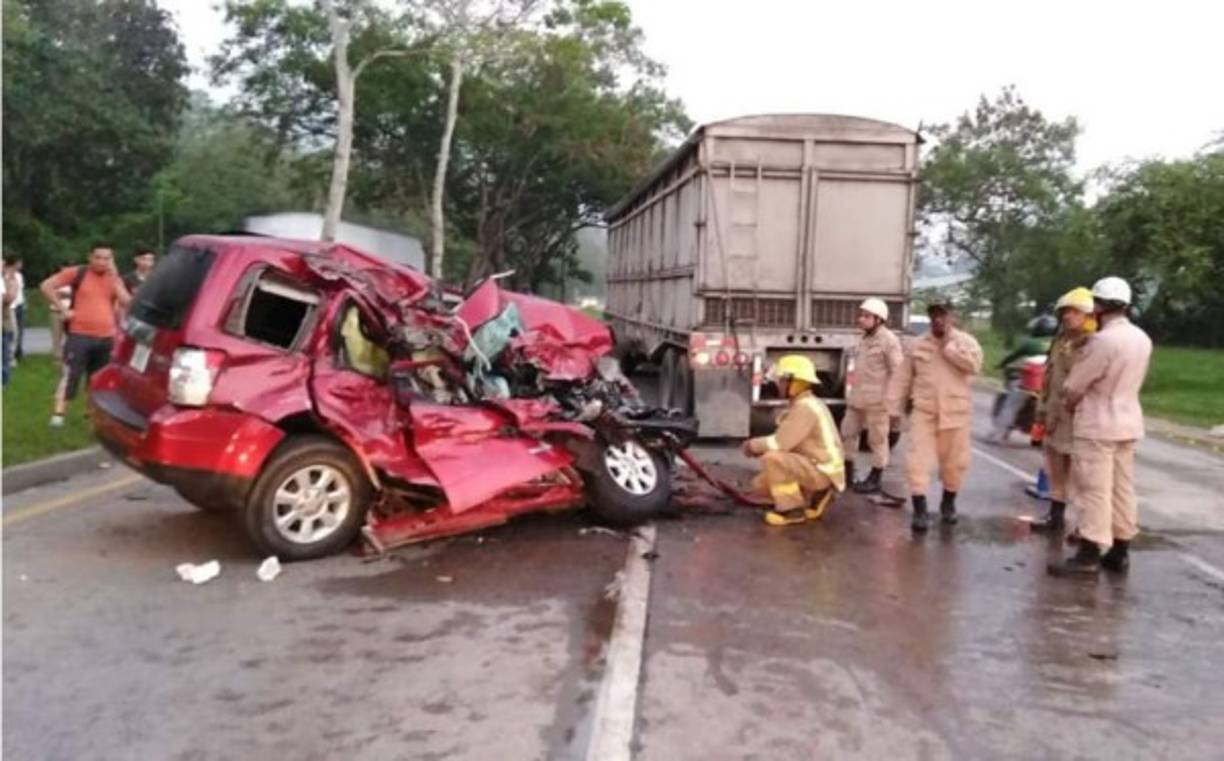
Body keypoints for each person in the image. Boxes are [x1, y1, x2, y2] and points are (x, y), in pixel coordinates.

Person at [1048, 277, 1152, 577]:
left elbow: (1074, 385)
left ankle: (1089, 552)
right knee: (1122, 489)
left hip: (1097, 423)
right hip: (1128, 421)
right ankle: (1120, 550)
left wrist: (1069, 404)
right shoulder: (1141, 338)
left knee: (1094, 489)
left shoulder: (1102, 341)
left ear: (1099, 305)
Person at [888, 300, 983, 532]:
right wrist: (892, 408)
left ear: (952, 317)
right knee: (916, 461)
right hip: (925, 411)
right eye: (934, 316)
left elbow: (975, 366)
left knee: (955, 463)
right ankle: (920, 509)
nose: (938, 320)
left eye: (943, 315)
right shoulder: (918, 344)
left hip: (956, 413)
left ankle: (948, 503)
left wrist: (950, 350)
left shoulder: (966, 342)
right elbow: (902, 378)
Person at [743, 355, 846, 526]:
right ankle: (816, 495)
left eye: (782, 380)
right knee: (760, 486)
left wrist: (752, 446)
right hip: (819, 466)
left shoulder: (805, 408)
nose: (779, 384)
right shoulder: (805, 403)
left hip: (822, 471)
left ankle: (792, 510)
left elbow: (779, 444)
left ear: (795, 382)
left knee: (773, 459)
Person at [39, 244, 132, 426]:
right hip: (80, 334)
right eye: (98, 257)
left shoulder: (114, 278)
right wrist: (62, 309)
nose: (102, 262)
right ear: (90, 257)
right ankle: (59, 413)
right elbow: (46, 286)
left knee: (97, 378)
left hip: (106, 336)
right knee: (71, 374)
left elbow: (127, 302)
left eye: (106, 258)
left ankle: (91, 413)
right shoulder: (78, 273)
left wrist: (115, 277)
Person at [1029, 287, 1096, 532]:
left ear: (1088, 315)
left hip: (1080, 418)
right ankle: (1055, 517)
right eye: (1065, 312)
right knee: (1055, 469)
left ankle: (1086, 526)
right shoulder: (1061, 341)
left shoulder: (1092, 344)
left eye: (1075, 312)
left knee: (1083, 475)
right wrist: (1041, 410)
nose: (1068, 316)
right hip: (1056, 415)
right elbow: (1049, 378)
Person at [840, 297, 904, 494]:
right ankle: (847, 473)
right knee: (847, 432)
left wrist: (895, 401)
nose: (861, 319)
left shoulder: (889, 341)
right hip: (858, 398)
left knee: (877, 439)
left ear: (879, 319)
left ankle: (875, 477)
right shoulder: (865, 339)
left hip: (878, 401)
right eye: (861, 315)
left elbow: (898, 372)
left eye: (866, 316)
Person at [991, 314, 1057, 441]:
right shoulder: (1058, 343)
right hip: (1048, 384)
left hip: (1029, 382)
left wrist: (1001, 364)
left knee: (1011, 405)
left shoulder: (1030, 343)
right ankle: (1037, 438)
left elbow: (1013, 356)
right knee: (1043, 412)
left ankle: (998, 434)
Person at [4, 254, 26, 362]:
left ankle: (15, 353)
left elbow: (19, 291)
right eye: (19, 262)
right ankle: (9, 356)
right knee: (11, 331)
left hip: (19, 305)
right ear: (15, 263)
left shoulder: (19, 276)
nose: (21, 264)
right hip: (9, 306)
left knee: (18, 332)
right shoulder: (5, 276)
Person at [2, 259, 19, 385]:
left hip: (4, 318)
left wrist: (11, 285)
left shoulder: (9, 281)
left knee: (5, 348)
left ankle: (4, 379)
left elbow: (9, 299)